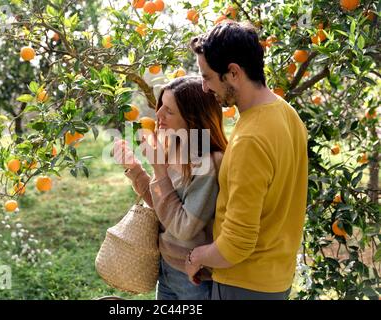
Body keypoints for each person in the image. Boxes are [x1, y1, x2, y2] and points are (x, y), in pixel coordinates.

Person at [185, 21, 309, 300]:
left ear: (233, 73)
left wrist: (197, 256)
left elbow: (236, 246)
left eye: (207, 77)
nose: (204, 88)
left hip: (243, 284)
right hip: (275, 279)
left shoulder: (250, 139)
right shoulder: (287, 114)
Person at [113, 76, 227, 300]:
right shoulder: (174, 146)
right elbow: (162, 208)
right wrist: (134, 168)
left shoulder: (209, 163)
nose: (159, 115)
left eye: (169, 111)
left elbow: (184, 227)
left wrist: (159, 170)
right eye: (161, 106)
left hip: (193, 278)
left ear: (192, 118)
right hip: (166, 270)